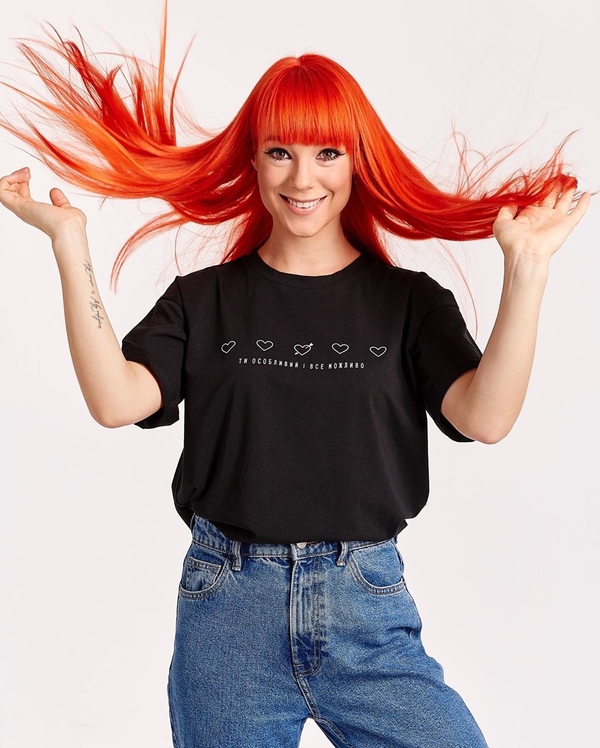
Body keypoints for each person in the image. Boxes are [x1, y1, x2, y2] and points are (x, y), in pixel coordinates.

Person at [0, 13, 590, 748]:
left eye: (326, 153)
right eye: (280, 152)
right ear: (252, 161)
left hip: (365, 605)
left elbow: (486, 418)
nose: (302, 178)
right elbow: (116, 400)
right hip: (227, 612)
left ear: (356, 162)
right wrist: (69, 243)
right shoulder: (204, 300)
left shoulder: (408, 304)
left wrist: (527, 270)